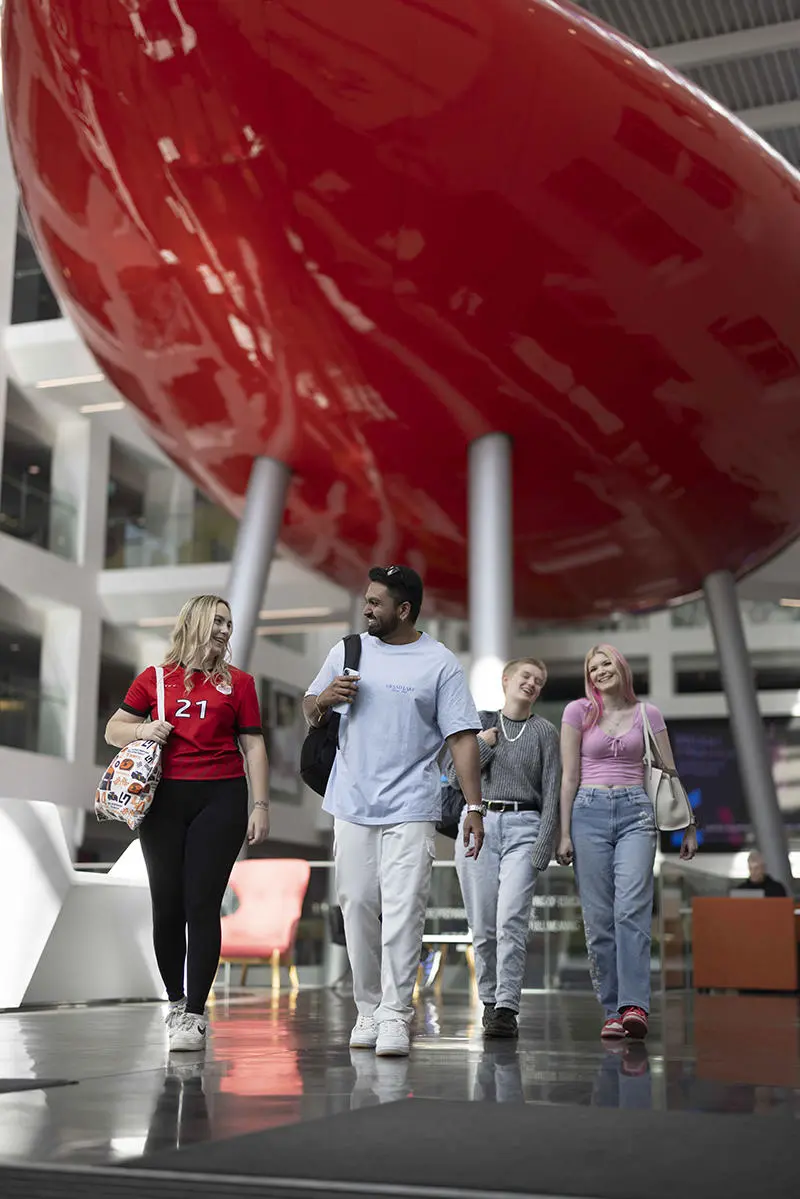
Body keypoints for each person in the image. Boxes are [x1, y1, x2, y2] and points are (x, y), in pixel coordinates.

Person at [303, 564, 484, 1058]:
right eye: (366, 599)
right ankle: (367, 1008)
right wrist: (324, 698)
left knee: (404, 910)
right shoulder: (347, 650)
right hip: (351, 800)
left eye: (376, 603)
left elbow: (462, 737)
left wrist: (474, 806)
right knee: (357, 903)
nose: (367, 608)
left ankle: (395, 1015)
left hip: (412, 805)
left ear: (403, 610)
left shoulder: (439, 662)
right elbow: (309, 709)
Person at [104, 595, 269, 1052]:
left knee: (202, 904)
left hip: (221, 796)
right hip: (163, 800)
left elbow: (253, 746)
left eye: (229, 623)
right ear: (195, 623)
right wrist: (142, 730)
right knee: (168, 905)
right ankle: (175, 1002)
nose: (225, 630)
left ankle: (195, 1013)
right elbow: (113, 729)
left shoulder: (239, 683)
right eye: (217, 621)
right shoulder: (155, 679)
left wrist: (261, 805)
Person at [556, 644, 697, 1041]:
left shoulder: (647, 714)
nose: (600, 671)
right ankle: (611, 1009)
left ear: (621, 667)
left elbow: (669, 771)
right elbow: (569, 777)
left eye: (606, 664)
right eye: (593, 667)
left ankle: (635, 1005)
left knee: (632, 911)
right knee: (599, 918)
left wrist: (689, 823)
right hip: (588, 811)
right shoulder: (577, 712)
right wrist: (563, 832)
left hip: (637, 813)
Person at [449, 657, 560, 1039]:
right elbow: (452, 777)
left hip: (524, 827)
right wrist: (482, 745)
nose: (532, 683)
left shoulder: (545, 732)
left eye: (539, 681)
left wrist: (544, 844)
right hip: (477, 824)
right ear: (507, 680)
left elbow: (552, 793)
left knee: (511, 919)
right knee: (482, 923)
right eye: (526, 676)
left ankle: (508, 1008)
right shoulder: (480, 721)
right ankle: (490, 1002)